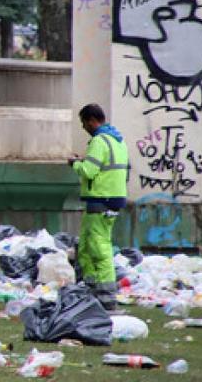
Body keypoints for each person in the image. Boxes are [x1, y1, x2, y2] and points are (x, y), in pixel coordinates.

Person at [68, 103, 129, 310]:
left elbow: (89, 171)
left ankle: (105, 296)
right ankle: (90, 288)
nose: (83, 127)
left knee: (99, 248)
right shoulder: (117, 140)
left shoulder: (98, 141)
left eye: (84, 123)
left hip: (101, 200)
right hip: (110, 199)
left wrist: (74, 163)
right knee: (85, 245)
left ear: (92, 120)